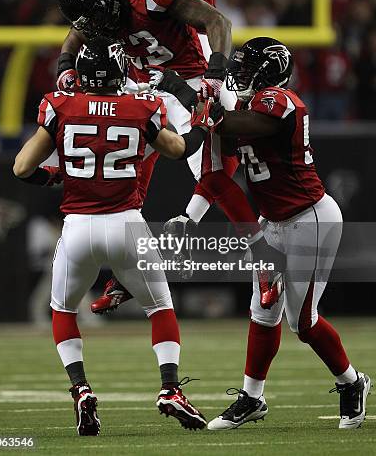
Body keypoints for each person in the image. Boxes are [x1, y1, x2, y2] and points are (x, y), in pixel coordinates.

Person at [57, 0, 266, 313]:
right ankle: (256, 256)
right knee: (219, 162)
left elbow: (78, 30)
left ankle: (137, 262)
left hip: (157, 69)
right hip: (187, 58)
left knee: (141, 159)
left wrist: (65, 67)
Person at [156, 37, 371, 431]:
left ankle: (352, 382)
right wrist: (191, 213)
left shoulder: (281, 100)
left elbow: (234, 124)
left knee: (302, 321)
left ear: (268, 72)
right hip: (273, 222)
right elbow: (219, 163)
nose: (238, 72)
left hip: (311, 219)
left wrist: (187, 95)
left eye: (246, 66)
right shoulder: (250, 102)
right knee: (263, 312)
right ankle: (252, 398)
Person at [13, 39, 224, 435]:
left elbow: (22, 167)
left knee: (62, 309)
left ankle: (80, 389)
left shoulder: (60, 106)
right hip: (127, 223)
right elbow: (179, 150)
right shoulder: (139, 108)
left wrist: (55, 176)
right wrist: (201, 125)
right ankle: (170, 388)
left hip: (77, 225)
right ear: (117, 72)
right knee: (159, 307)